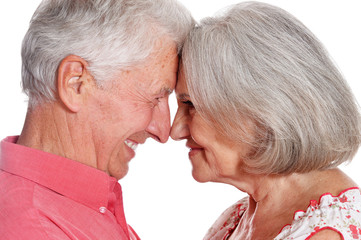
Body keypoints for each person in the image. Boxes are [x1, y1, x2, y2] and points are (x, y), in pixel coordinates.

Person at [0, 0, 194, 239]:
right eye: (155, 97)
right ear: (75, 83)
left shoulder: (76, 205)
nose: (164, 132)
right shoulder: (36, 230)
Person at [171, 2, 361, 239]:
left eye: (190, 105)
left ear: (260, 109)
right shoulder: (237, 217)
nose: (175, 130)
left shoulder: (327, 234)